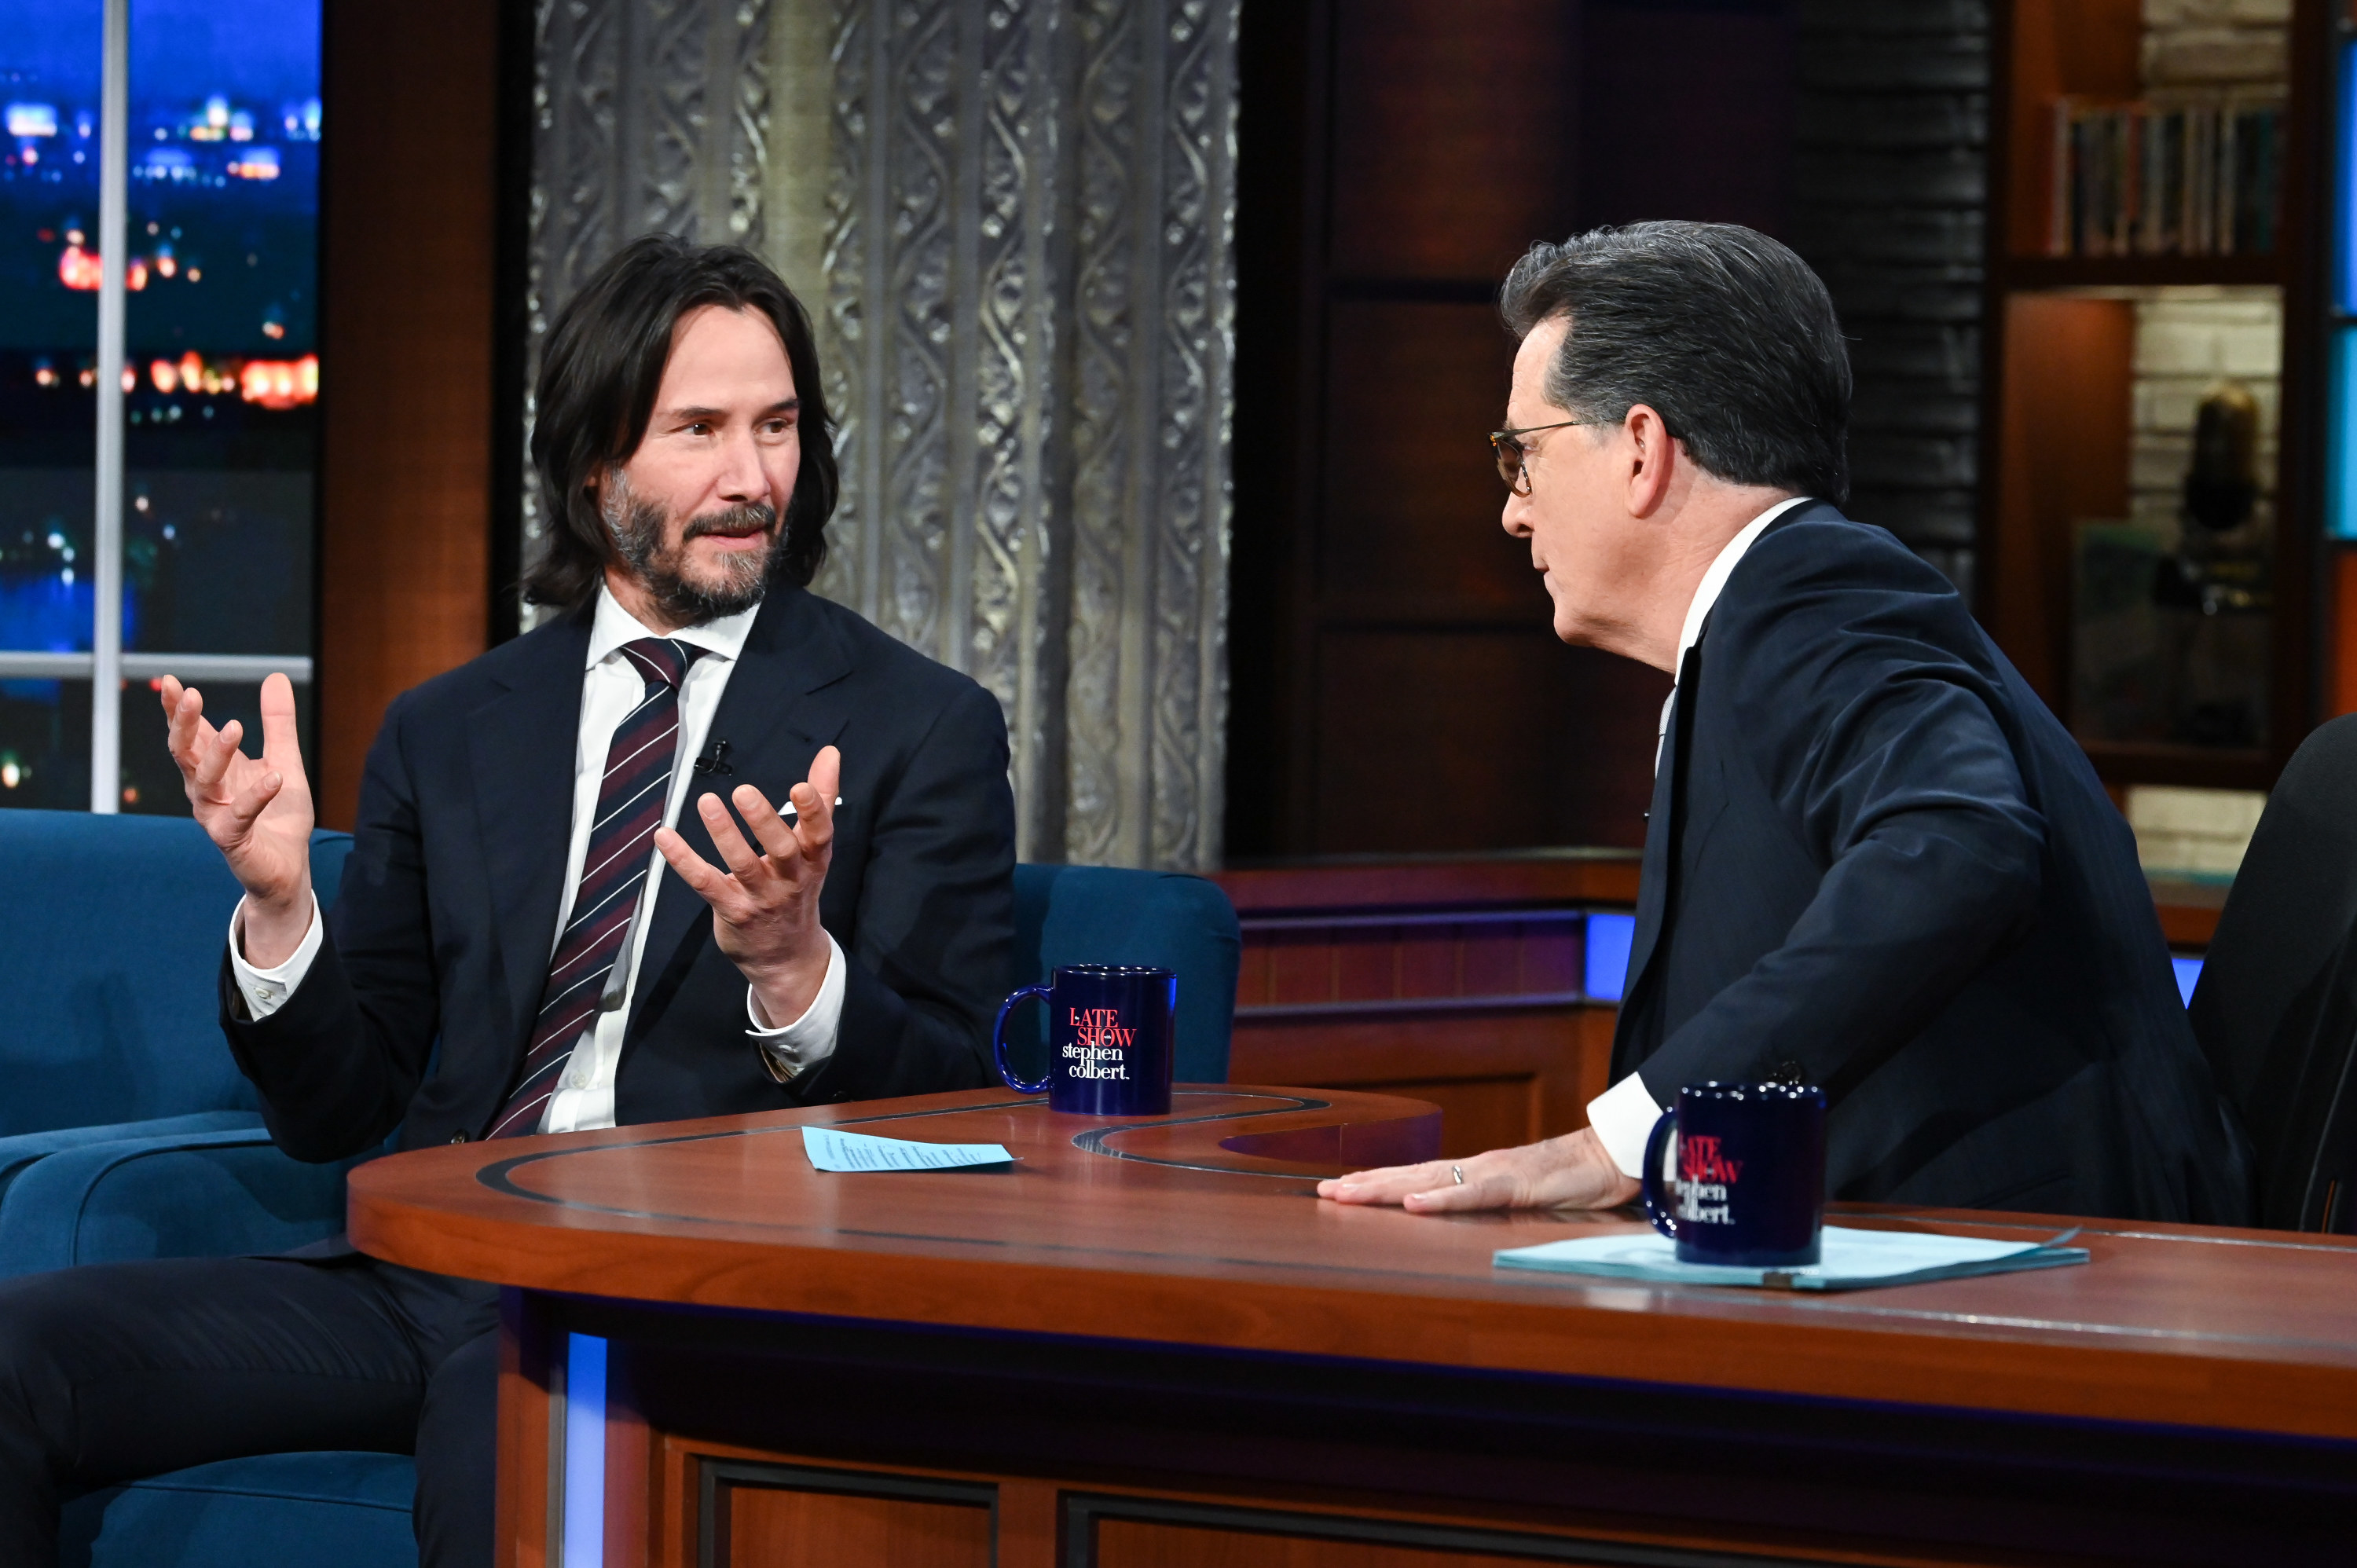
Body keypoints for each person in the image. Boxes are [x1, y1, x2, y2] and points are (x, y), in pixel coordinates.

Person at [0, 236, 1016, 1566]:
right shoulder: (451, 728)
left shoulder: (916, 727)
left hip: (655, 1294)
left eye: (777, 429)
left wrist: (795, 970)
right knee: (16, 1352)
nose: (751, 477)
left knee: (511, 1461)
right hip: (416, 1273)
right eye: (698, 430)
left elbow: (970, 1102)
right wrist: (279, 914)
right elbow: (335, 1111)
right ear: (598, 467)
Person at [1318, 221, 2251, 1226]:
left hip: (2038, 1279)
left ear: (1640, 448)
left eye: (1521, 455)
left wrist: (1616, 1144)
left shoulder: (1809, 595)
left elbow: (1958, 846)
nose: (1512, 511)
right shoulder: (1767, 614)